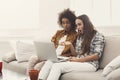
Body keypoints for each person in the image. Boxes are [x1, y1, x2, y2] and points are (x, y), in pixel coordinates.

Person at [38, 14, 105, 80]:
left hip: (90, 64)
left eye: (79, 24)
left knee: (57, 66)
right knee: (50, 61)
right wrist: (70, 45)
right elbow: (76, 54)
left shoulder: (97, 35)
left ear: (86, 24)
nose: (77, 27)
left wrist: (78, 60)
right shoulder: (80, 36)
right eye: (76, 25)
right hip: (79, 61)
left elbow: (97, 55)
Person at [27, 9, 77, 73]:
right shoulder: (58, 33)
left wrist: (61, 56)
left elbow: (75, 53)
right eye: (63, 23)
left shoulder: (76, 35)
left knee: (38, 67)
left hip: (61, 58)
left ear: (72, 23)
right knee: (33, 58)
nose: (65, 25)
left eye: (67, 22)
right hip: (52, 55)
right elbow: (51, 45)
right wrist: (46, 54)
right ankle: (28, 77)